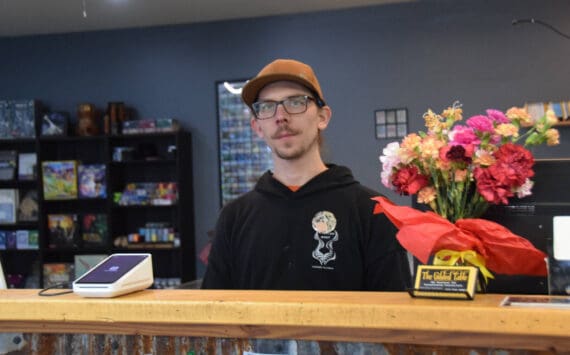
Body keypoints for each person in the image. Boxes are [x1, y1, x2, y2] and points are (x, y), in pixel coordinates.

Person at [202, 59, 411, 290]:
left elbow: (394, 316)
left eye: (295, 102)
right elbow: (215, 312)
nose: (280, 116)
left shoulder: (373, 212)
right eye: (267, 106)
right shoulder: (234, 217)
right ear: (257, 127)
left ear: (323, 117)